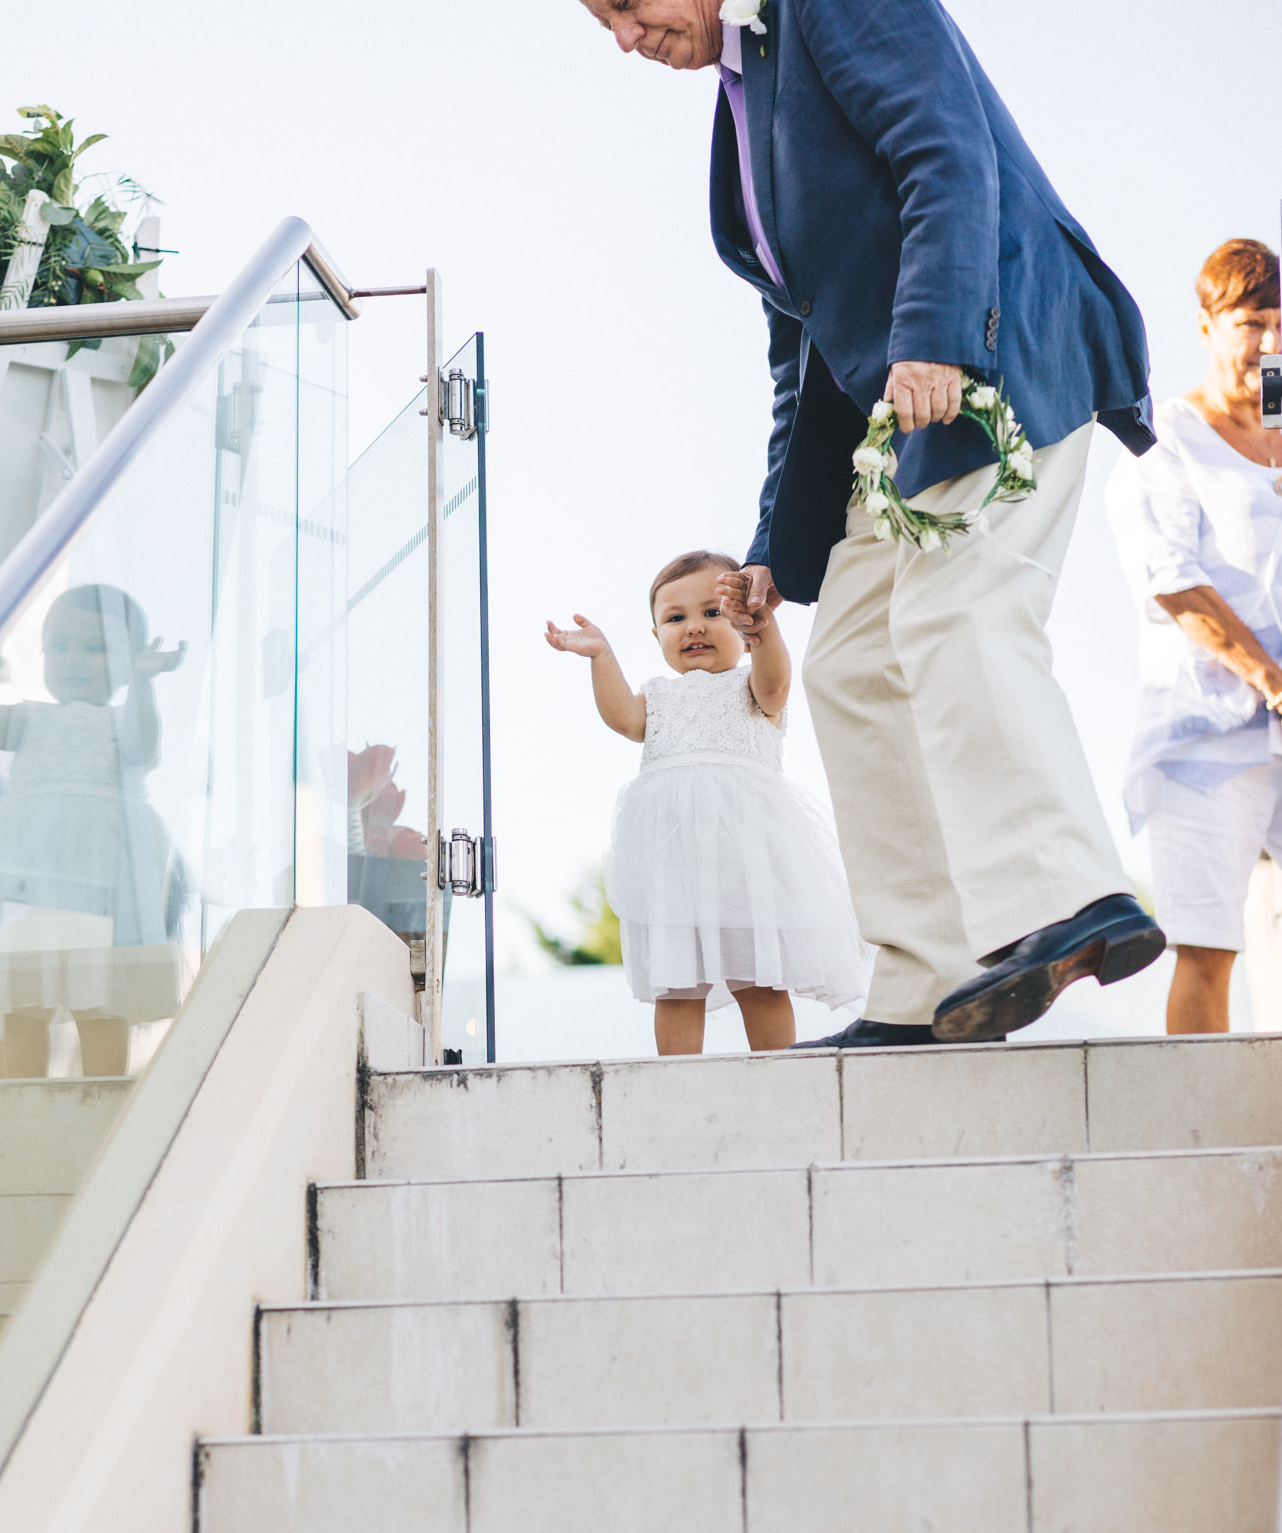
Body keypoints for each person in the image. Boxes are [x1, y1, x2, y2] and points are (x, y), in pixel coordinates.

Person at [578, 0, 1165, 1046]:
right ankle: (926, 974)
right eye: (602, 24)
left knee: (956, 611)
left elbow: (947, 152)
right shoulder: (746, 95)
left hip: (997, 354)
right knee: (849, 663)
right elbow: (800, 355)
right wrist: (770, 544)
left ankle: (1065, 897)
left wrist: (939, 335)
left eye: (626, 3)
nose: (624, 36)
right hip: (896, 424)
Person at [546, 549, 869, 1054]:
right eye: (675, 618)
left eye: (712, 612)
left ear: (742, 625)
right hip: (675, 869)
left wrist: (764, 629)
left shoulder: (752, 685)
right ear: (657, 637)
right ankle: (679, 1082)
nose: (694, 627)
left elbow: (777, 682)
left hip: (746, 865)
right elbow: (624, 720)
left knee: (759, 981)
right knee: (676, 987)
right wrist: (602, 657)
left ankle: (778, 1072)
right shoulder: (657, 696)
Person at [1106, 240, 1282, 1036]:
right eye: (1253, 323)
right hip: (1207, 734)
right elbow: (1174, 582)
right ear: (1208, 324)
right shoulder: (1162, 442)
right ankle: (1192, 1146)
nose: (1271, 345)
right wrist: (1273, 682)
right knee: (1208, 948)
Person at [0, 583, 187, 1077]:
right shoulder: (30, 716)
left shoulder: (119, 720)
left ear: (129, 660)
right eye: (59, 646)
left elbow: (142, 748)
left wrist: (145, 684)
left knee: (102, 994)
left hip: (102, 872)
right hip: (30, 872)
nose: (73, 660)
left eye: (94, 648)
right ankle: (23, 1091)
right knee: (22, 990)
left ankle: (99, 1094)